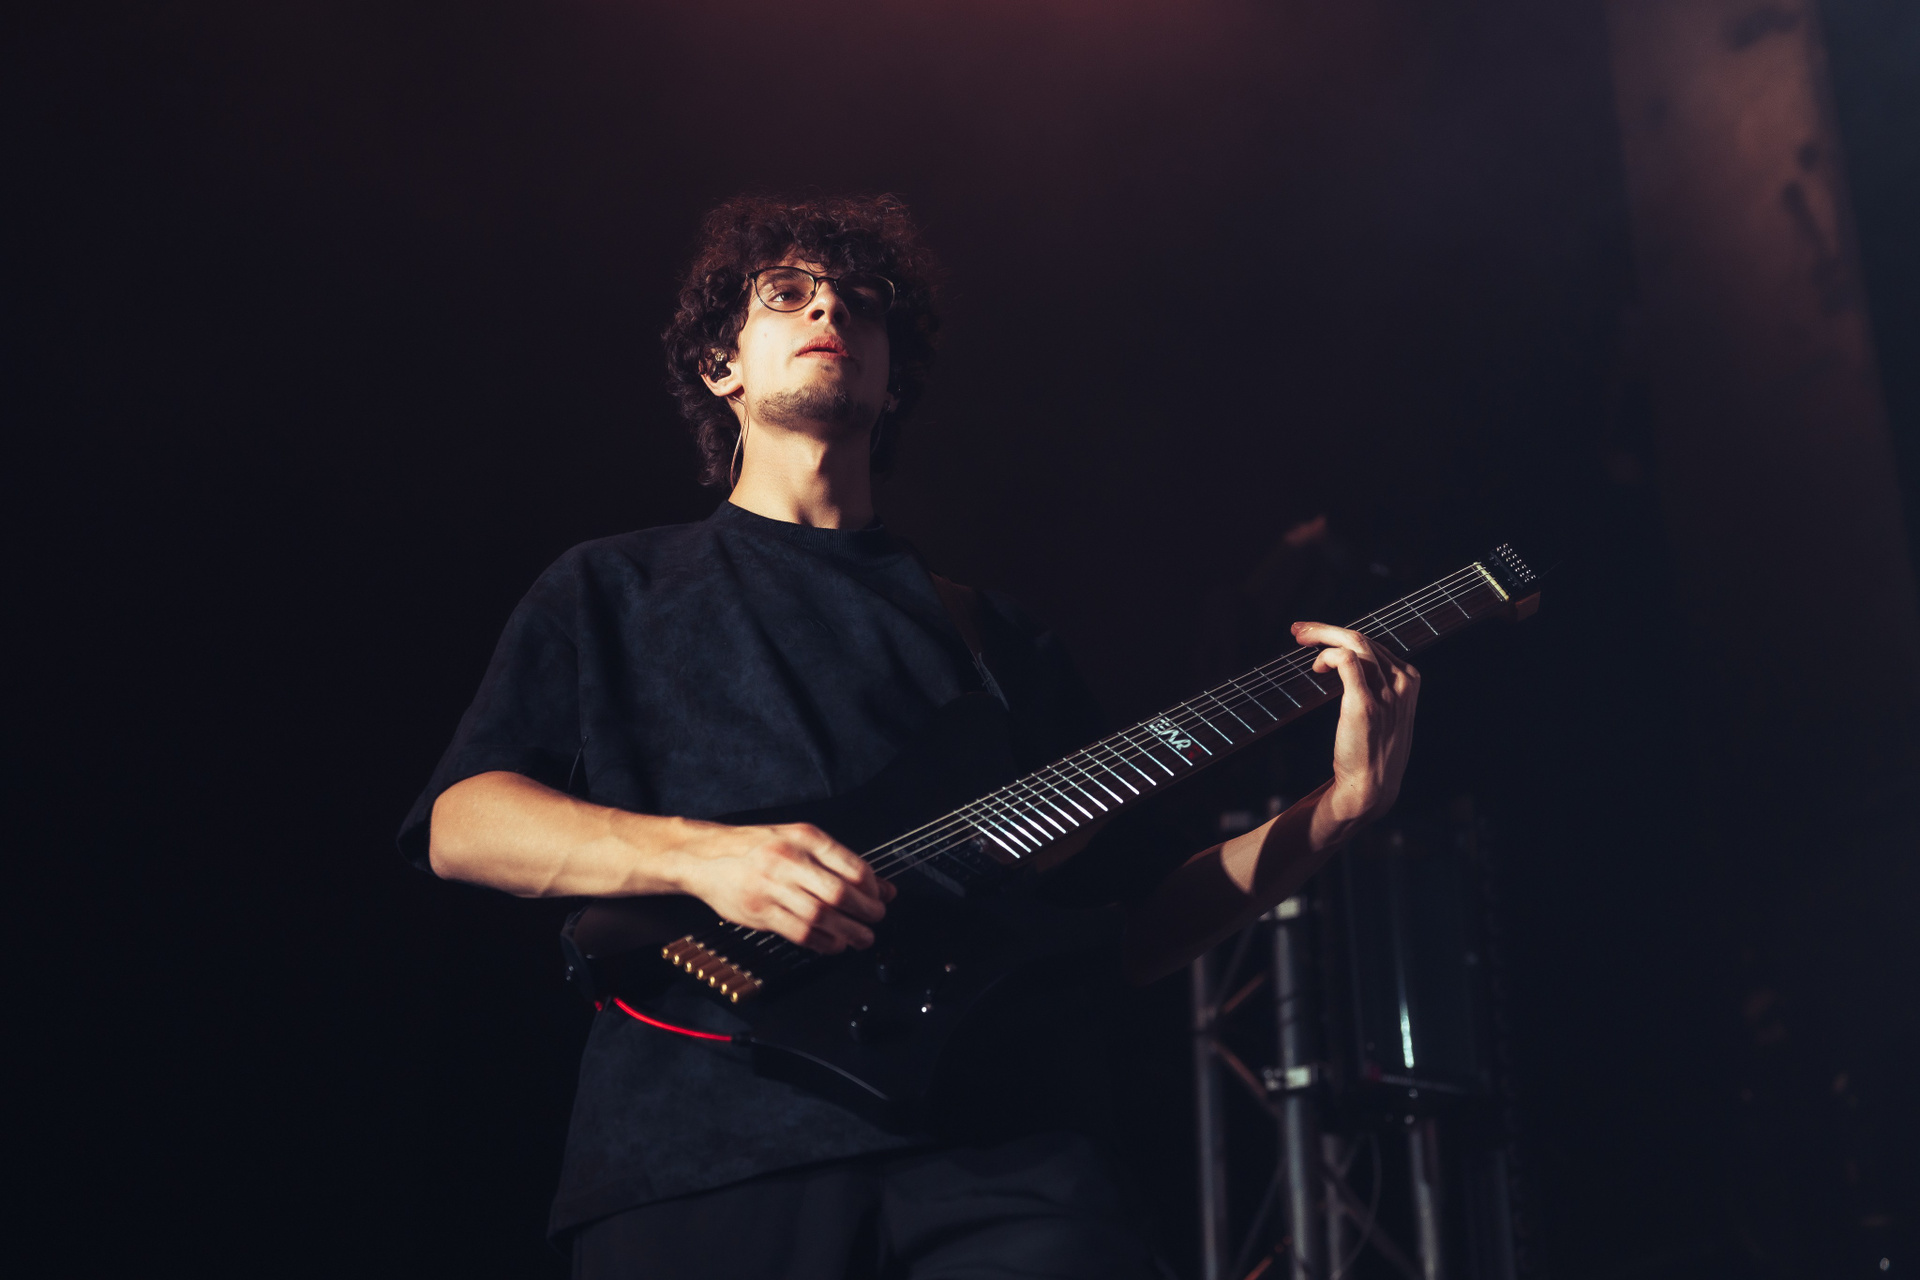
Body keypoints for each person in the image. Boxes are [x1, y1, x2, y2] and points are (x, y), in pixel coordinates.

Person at [400, 193, 1419, 1279]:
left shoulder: (998, 639)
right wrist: (708, 857)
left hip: (1002, 1152)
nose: (830, 307)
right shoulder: (613, 587)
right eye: (787, 292)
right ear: (719, 366)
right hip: (702, 1148)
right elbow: (463, 824)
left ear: (893, 384)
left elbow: (1137, 923)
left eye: (862, 300)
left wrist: (1336, 813)